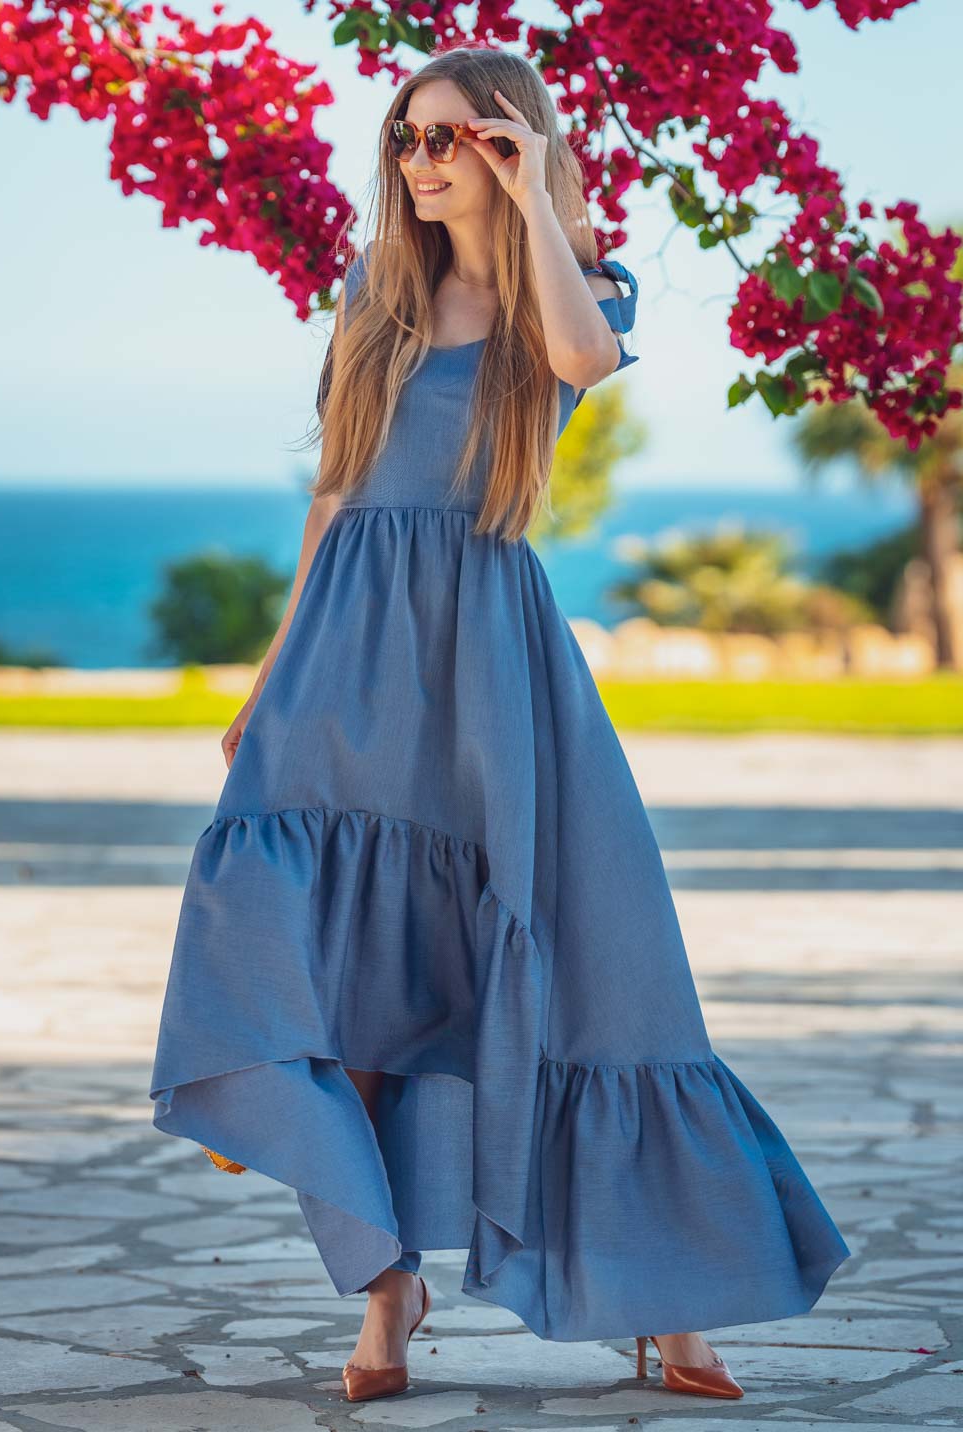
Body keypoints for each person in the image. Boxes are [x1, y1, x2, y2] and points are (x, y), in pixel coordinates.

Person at [149, 42, 851, 1407]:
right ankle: (384, 1287)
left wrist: (530, 200)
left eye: (449, 139)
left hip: (487, 660)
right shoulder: (373, 301)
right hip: (349, 659)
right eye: (406, 140)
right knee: (325, 957)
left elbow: (591, 357)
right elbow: (336, 495)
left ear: (507, 147)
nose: (418, 163)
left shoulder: (567, 291)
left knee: (596, 963)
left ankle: (669, 1297)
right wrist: (268, 677)